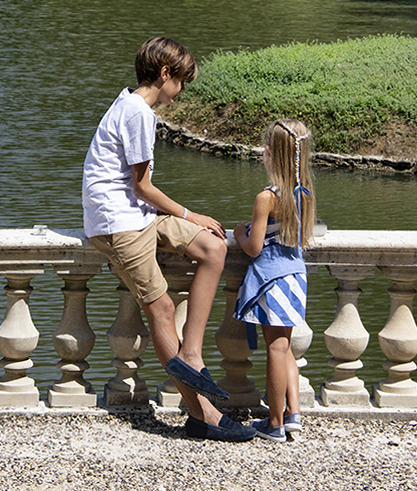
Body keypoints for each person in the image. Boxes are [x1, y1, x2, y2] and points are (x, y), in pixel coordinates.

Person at [82, 36, 255, 442]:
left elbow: (139, 191)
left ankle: (191, 352)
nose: (181, 92)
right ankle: (203, 416)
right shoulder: (138, 112)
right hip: (119, 224)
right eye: (181, 82)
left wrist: (188, 221)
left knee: (213, 246)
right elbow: (142, 186)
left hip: (138, 215)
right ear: (164, 74)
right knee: (160, 307)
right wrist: (191, 213)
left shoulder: (128, 102)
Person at [233, 118, 316, 442]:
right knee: (286, 350)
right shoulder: (303, 193)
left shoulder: (267, 198)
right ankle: (292, 414)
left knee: (275, 350)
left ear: (268, 153)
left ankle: (275, 422)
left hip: (271, 280)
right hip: (295, 277)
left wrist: (241, 234)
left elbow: (254, 248)